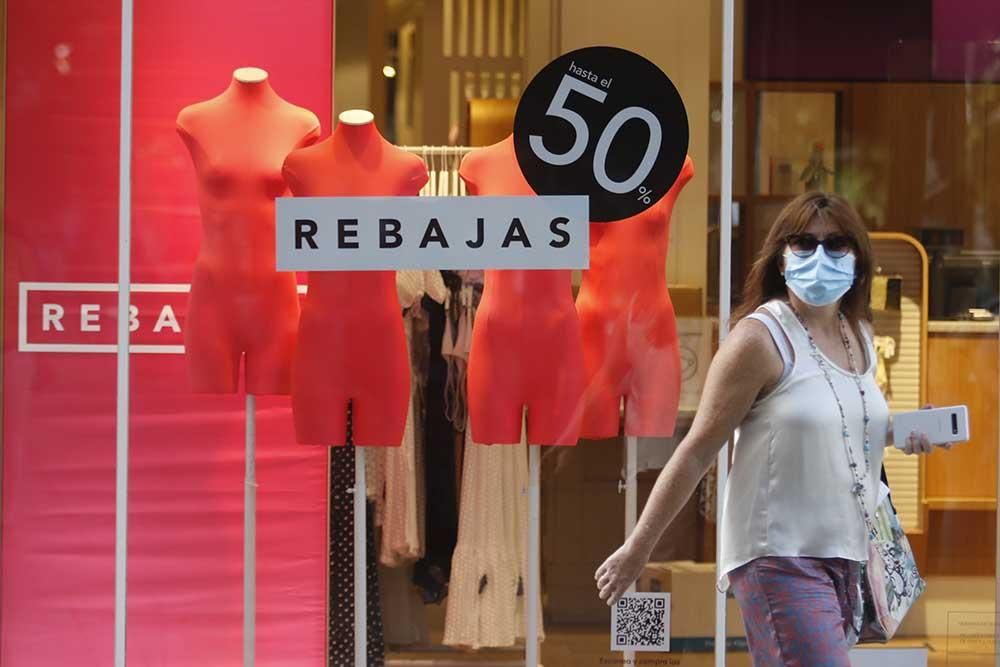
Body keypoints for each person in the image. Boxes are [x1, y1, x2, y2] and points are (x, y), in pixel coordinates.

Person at [595, 191, 950, 665]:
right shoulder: (759, 340)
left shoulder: (858, 334)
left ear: (859, 260)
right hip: (780, 555)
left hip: (848, 553)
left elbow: (841, 426)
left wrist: (902, 431)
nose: (819, 256)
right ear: (780, 260)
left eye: (836, 244)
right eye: (803, 244)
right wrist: (638, 549)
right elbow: (698, 449)